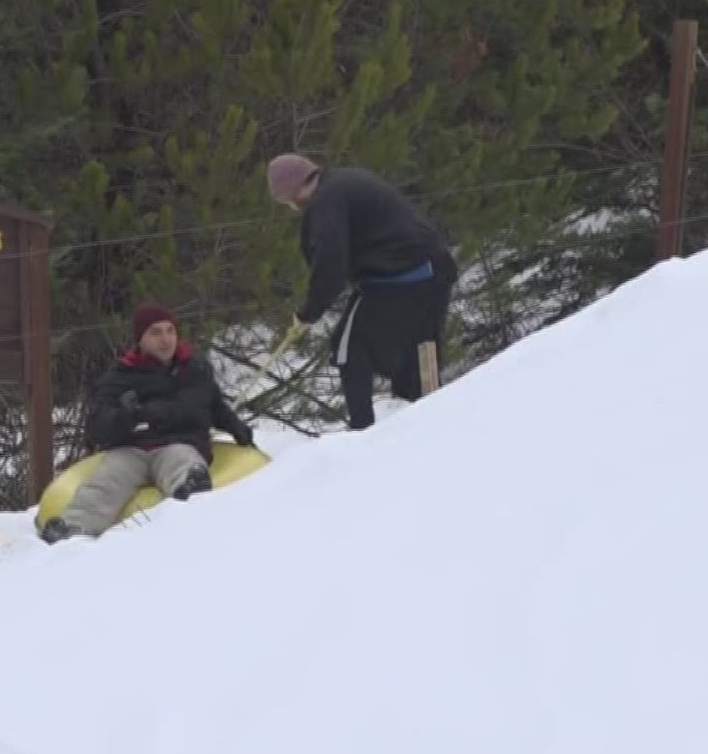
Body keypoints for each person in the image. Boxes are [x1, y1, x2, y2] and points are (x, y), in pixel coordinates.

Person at [266, 153, 458, 430]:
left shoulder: (325, 202)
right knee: (420, 353)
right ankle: (429, 423)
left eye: (287, 202)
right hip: (434, 270)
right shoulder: (345, 181)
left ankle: (362, 431)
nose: (292, 208)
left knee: (348, 346)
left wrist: (309, 313)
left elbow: (330, 264)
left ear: (293, 193)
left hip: (398, 276)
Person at [39, 301, 254, 544]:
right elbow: (97, 425)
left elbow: (214, 406)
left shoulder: (195, 370)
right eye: (156, 333)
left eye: (170, 331)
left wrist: (236, 427)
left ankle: (189, 499)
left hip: (179, 443)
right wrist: (126, 417)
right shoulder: (119, 377)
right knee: (106, 482)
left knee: (183, 463)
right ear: (140, 338)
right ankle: (73, 527)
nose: (165, 339)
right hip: (132, 449)